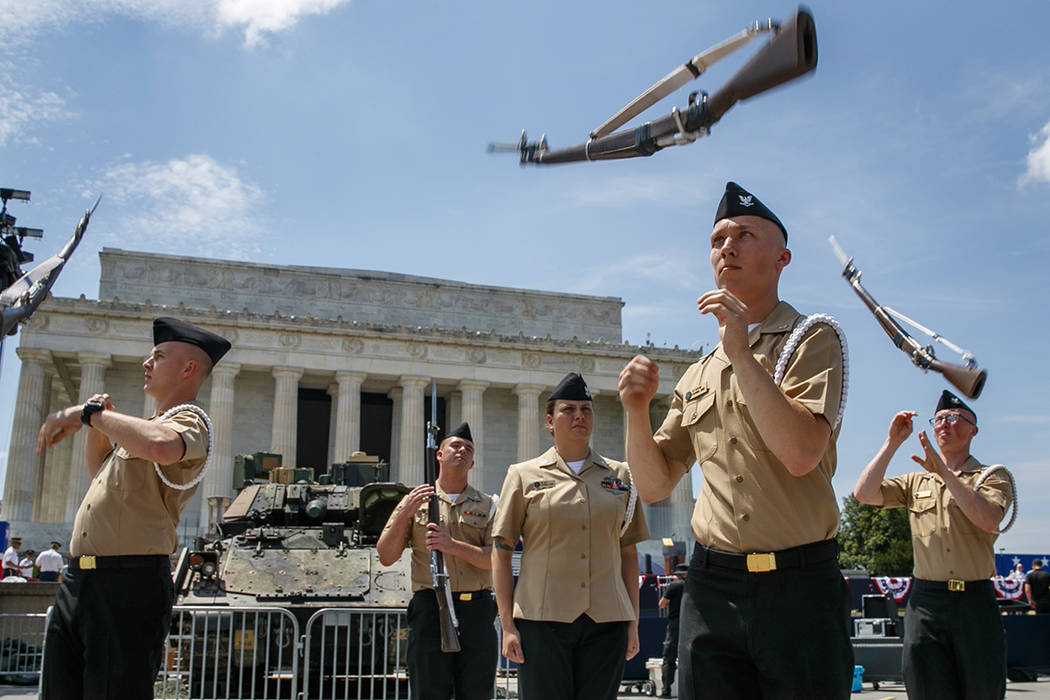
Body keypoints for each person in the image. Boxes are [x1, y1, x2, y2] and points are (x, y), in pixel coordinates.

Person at [618, 182, 852, 699]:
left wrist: (743, 354)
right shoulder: (700, 372)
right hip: (711, 586)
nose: (728, 247)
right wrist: (635, 412)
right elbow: (655, 485)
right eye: (718, 238)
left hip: (798, 585)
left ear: (782, 257)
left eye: (745, 235)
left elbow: (800, 453)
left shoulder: (812, 338)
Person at [35, 316, 231, 699]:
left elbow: (160, 446)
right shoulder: (140, 429)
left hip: (127, 581)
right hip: (81, 580)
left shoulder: (188, 420)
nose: (146, 363)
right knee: (60, 690)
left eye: (158, 356)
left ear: (188, 368)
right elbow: (102, 478)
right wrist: (98, 423)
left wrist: (89, 415)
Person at [491, 372, 649, 700]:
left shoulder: (620, 476)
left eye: (586, 409)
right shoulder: (522, 476)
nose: (579, 416)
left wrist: (632, 622)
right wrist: (507, 625)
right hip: (542, 619)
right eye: (568, 409)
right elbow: (502, 552)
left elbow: (628, 553)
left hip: (607, 620)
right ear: (549, 421)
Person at [853, 390, 1013, 700]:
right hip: (927, 603)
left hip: (975, 602)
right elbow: (864, 493)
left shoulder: (991, 477)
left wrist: (945, 474)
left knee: (983, 688)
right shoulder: (917, 482)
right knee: (926, 689)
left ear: (973, 430)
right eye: (938, 419)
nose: (944, 424)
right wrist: (892, 442)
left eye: (953, 418)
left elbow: (988, 519)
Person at [376, 421, 498, 700]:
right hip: (430, 608)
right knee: (428, 690)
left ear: (473, 462)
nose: (461, 451)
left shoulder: (487, 504)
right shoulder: (416, 501)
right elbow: (386, 555)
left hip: (475, 610)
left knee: (477, 691)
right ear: (439, 455)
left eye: (468, 448)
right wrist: (405, 514)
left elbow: (495, 560)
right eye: (454, 446)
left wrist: (451, 546)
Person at [658, 564, 687, 697]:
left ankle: (666, 690)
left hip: (675, 623)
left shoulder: (674, 586)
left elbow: (662, 604)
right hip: (690, 623)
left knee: (669, 657)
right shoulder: (694, 585)